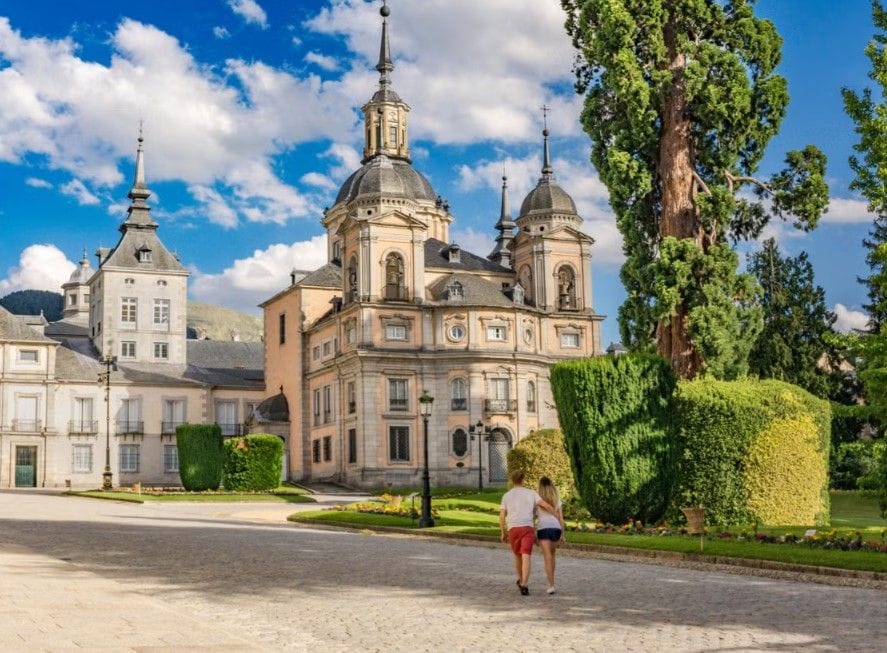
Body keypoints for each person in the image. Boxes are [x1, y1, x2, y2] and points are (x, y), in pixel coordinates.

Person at [499, 469, 555, 596]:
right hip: (527, 528)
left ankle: (522, 581)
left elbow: (502, 516)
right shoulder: (531, 493)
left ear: (512, 481)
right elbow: (545, 505)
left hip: (513, 528)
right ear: (523, 480)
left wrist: (503, 532)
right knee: (526, 556)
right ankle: (524, 583)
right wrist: (554, 512)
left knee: (518, 556)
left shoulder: (506, 496)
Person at [536, 476, 566, 594]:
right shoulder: (556, 498)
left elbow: (533, 516)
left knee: (547, 557)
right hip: (556, 528)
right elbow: (561, 518)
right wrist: (563, 534)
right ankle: (551, 582)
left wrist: (533, 532)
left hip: (543, 528)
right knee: (552, 556)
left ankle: (551, 584)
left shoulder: (538, 499)